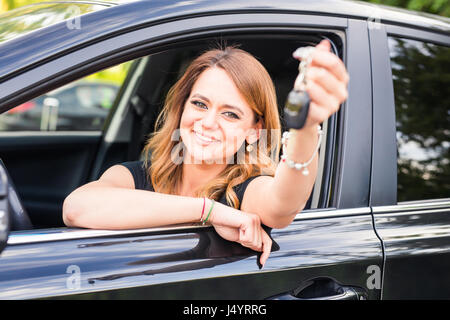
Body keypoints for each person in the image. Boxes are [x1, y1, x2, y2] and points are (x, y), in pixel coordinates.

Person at [63, 39, 349, 268]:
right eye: (200, 104)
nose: (209, 122)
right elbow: (76, 209)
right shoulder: (134, 174)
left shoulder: (248, 189)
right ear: (182, 106)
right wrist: (208, 212)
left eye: (230, 114)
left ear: (253, 130)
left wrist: (306, 126)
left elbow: (284, 204)